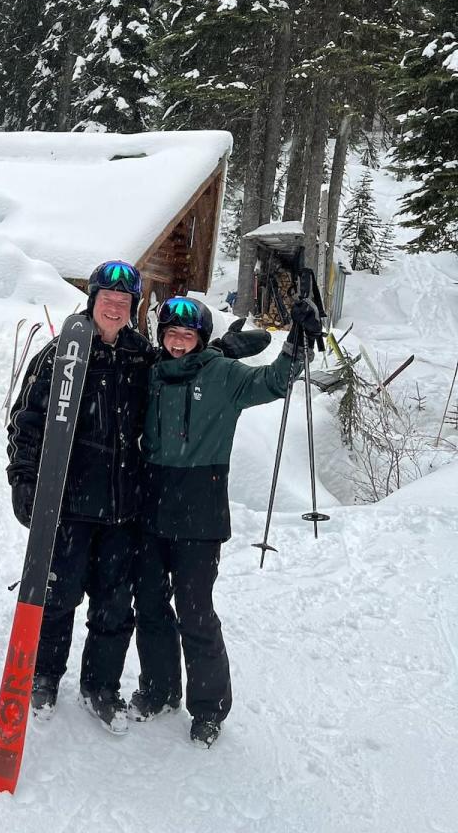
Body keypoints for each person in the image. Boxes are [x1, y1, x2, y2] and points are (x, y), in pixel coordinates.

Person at [129, 293, 322, 747]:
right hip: (151, 505)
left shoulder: (223, 374)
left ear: (200, 339)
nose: (178, 343)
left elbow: (275, 381)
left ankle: (210, 708)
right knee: (151, 606)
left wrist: (299, 338)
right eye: (171, 335)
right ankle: (158, 690)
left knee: (195, 612)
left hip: (200, 510)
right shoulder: (151, 373)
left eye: (187, 336)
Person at [6, 260, 155, 734]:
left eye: (123, 302)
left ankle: (100, 685)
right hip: (67, 504)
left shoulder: (142, 357)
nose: (114, 308)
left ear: (132, 309)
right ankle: (45, 677)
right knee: (59, 595)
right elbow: (27, 420)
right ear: (92, 301)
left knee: (115, 604)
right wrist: (24, 478)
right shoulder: (61, 355)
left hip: (122, 508)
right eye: (107, 300)